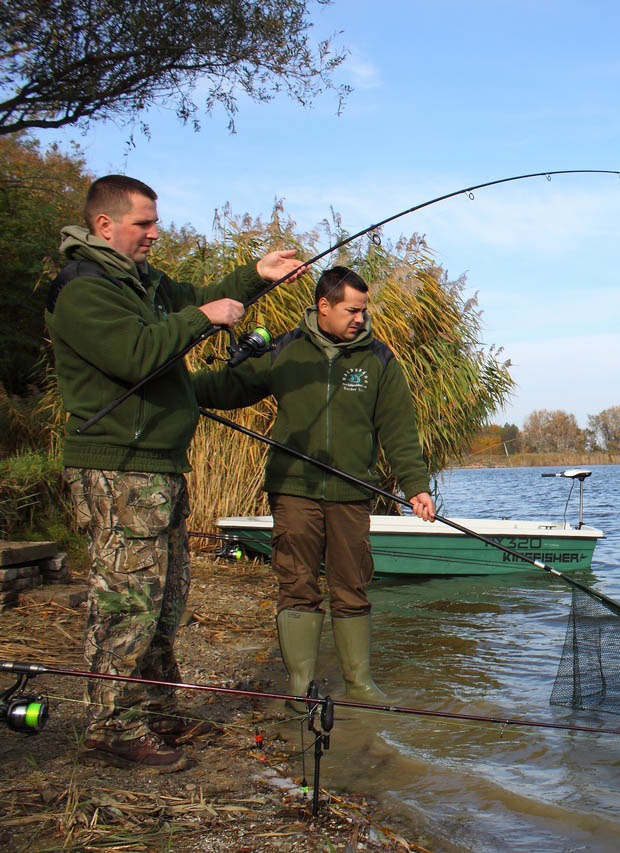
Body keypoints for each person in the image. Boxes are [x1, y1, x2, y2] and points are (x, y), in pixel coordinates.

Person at [45, 175, 307, 772]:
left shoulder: (145, 283)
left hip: (162, 464)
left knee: (164, 601)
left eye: (154, 222)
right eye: (143, 224)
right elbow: (136, 353)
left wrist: (254, 277)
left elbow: (200, 295)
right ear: (105, 226)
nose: (154, 234)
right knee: (125, 604)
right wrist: (202, 320)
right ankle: (112, 730)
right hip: (119, 467)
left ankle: (157, 712)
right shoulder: (82, 289)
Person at [193, 266, 435, 710]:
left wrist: (416, 486)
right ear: (324, 306)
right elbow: (230, 387)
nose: (361, 318)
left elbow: (398, 429)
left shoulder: (378, 359)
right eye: (352, 310)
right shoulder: (286, 349)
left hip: (350, 493)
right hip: (293, 489)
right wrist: (180, 390)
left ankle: (359, 684)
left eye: (364, 310)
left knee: (351, 585)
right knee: (298, 584)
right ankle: (299, 688)